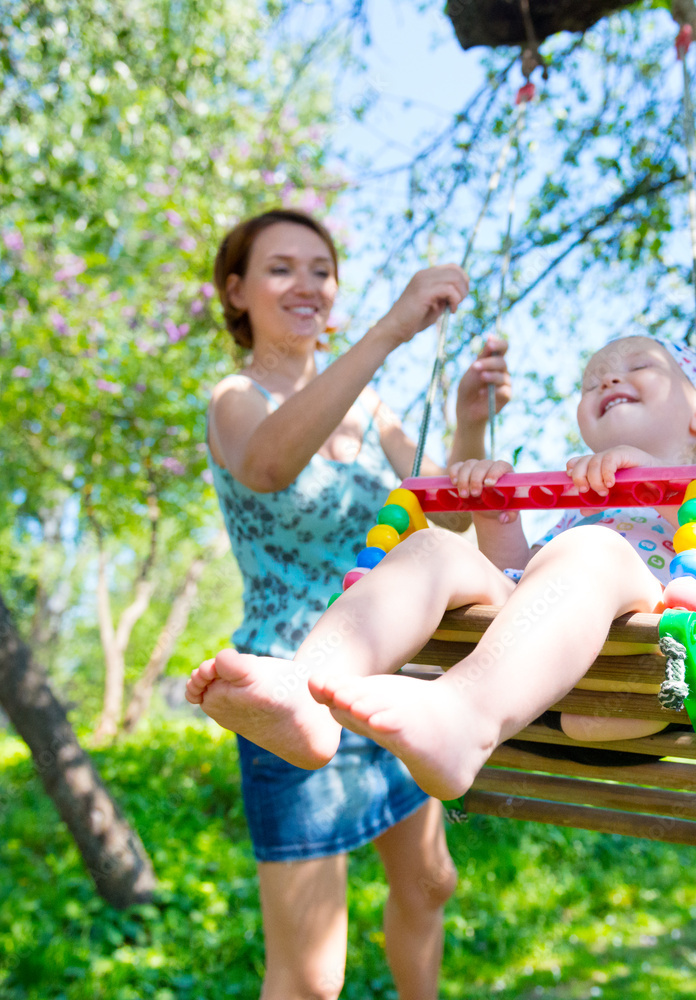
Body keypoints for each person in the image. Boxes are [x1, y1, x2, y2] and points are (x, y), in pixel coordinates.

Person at [190, 334, 696, 808]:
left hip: (649, 689)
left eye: (641, 366)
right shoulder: (579, 506)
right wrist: (497, 516)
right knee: (430, 549)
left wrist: (660, 486)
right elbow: (518, 581)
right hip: (538, 692)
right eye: (592, 379)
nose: (609, 376)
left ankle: (462, 721)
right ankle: (307, 691)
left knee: (591, 551)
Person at [187, 207, 511, 1000]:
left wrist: (470, 425)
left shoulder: (373, 413)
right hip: (290, 686)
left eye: (322, 270)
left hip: (392, 681)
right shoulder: (236, 397)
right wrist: (392, 328)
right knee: (311, 977)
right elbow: (267, 464)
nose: (309, 285)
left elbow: (450, 516)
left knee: (431, 883)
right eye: (281, 268)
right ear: (236, 291)